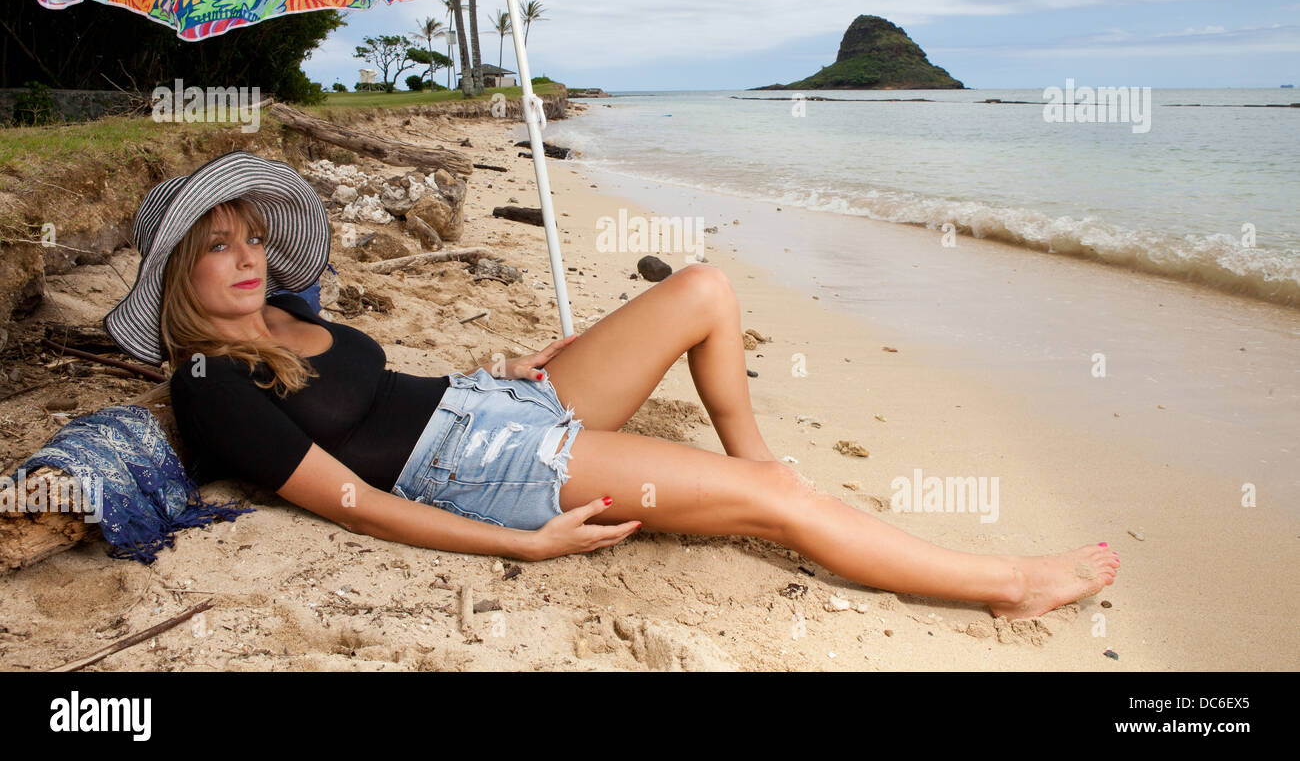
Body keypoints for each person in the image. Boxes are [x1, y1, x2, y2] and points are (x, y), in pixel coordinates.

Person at [106, 151, 1118, 620]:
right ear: (176, 276)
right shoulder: (211, 380)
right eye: (217, 246)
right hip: (475, 469)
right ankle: (1005, 583)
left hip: (489, 403)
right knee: (777, 507)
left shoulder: (294, 314)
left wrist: (499, 368)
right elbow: (362, 502)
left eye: (247, 235)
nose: (244, 257)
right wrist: (523, 540)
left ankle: (757, 468)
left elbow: (383, 382)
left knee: (704, 289)